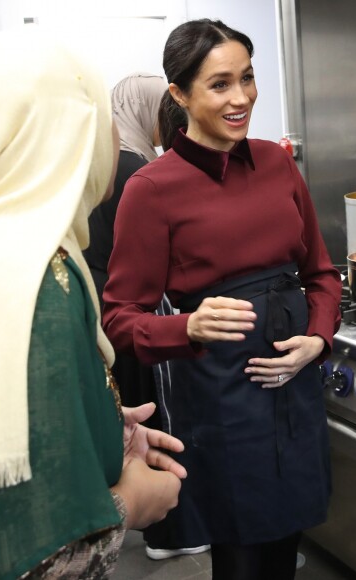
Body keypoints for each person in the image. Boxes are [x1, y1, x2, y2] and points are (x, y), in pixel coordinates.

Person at [102, 18, 342, 580]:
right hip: (223, 402)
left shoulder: (279, 163)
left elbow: (322, 274)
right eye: (220, 84)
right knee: (239, 555)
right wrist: (186, 328)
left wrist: (318, 338)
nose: (241, 98)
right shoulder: (152, 189)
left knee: (287, 545)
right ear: (179, 94)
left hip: (297, 390)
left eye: (248, 78)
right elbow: (119, 319)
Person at [0, 28, 186, 579]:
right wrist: (132, 505)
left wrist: (104, 426)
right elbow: (41, 551)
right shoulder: (40, 283)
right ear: (66, 137)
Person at [83, 72, 210, 561]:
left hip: (108, 305)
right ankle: (170, 529)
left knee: (134, 410)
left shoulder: (114, 158)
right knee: (158, 411)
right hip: (134, 307)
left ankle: (156, 522)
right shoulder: (136, 167)